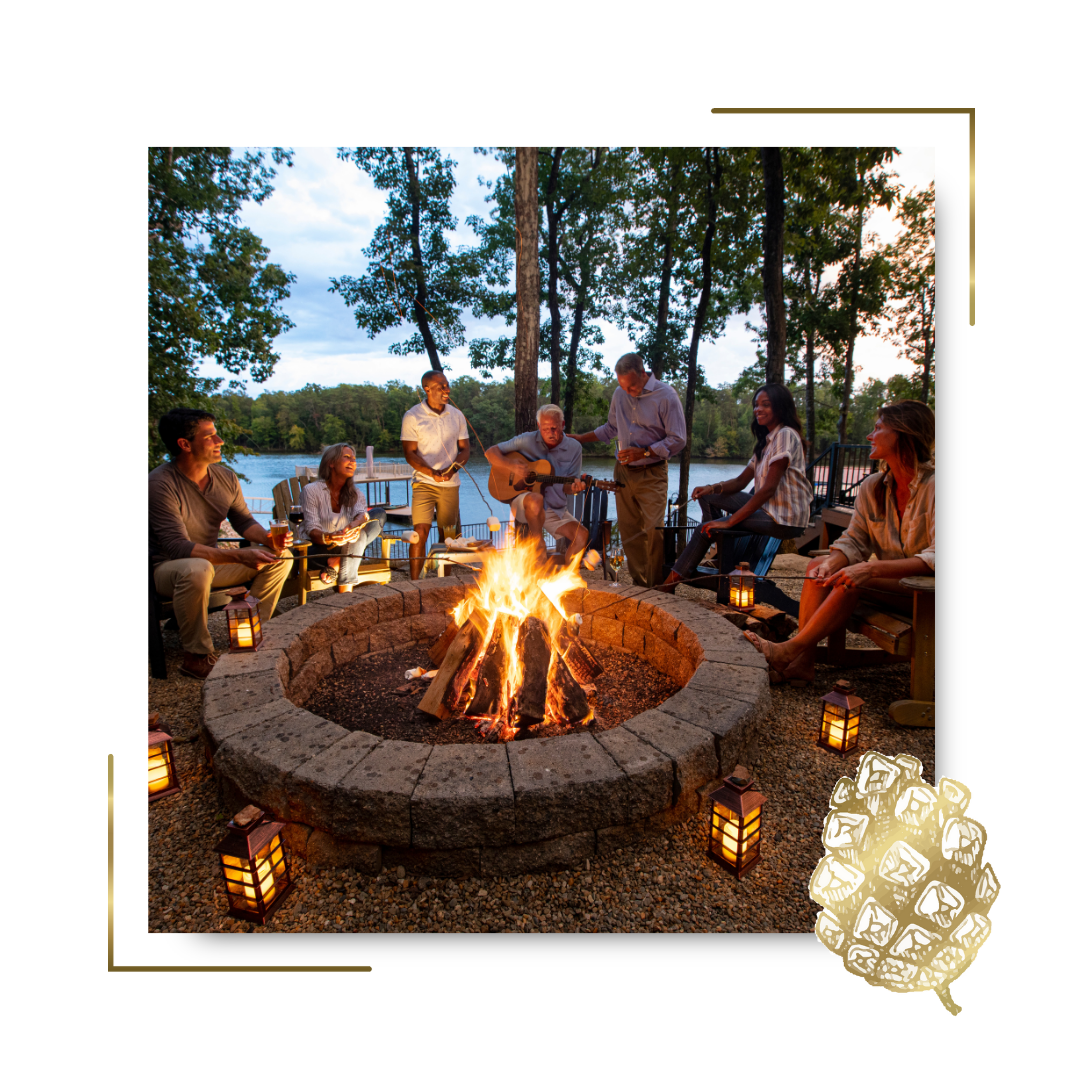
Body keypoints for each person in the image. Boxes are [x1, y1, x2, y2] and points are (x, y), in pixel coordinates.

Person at [744, 399, 936, 685]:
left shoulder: (937, 487)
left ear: (903, 434)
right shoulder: (874, 487)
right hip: (892, 587)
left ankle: (790, 650)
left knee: (854, 578)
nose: (870, 436)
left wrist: (869, 570)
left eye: (878, 428)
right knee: (818, 567)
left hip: (928, 593)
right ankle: (802, 665)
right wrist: (834, 560)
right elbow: (855, 539)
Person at [150, 408, 293, 680]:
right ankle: (196, 656)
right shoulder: (160, 483)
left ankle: (251, 634)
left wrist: (267, 539)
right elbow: (178, 548)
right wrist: (240, 557)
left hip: (208, 566)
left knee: (280, 556)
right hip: (165, 570)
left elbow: (243, 521)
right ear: (184, 444)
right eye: (211, 436)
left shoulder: (225, 478)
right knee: (196, 568)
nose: (220, 442)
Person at [659, 383, 812, 591]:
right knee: (706, 497)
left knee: (705, 529)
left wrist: (730, 521)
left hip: (784, 517)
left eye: (765, 405)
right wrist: (711, 488)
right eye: (756, 405)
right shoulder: (767, 442)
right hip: (768, 509)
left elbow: (768, 489)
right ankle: (721, 551)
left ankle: (669, 585)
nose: (758, 409)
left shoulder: (785, 434)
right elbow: (741, 482)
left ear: (780, 407)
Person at [566, 352, 686, 587]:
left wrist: (644, 452)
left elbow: (678, 439)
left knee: (654, 530)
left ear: (643, 373)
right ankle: (640, 583)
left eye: (632, 387)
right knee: (631, 532)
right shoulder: (620, 394)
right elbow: (611, 428)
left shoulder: (666, 396)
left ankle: (657, 588)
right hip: (623, 472)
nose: (628, 392)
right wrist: (581, 437)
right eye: (623, 387)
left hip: (652, 473)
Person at [485, 404, 589, 559]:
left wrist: (574, 489)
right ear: (539, 426)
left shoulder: (574, 448)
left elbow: (568, 486)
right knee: (536, 499)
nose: (550, 433)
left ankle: (568, 576)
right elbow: (490, 452)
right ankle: (538, 542)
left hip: (554, 508)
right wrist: (511, 466)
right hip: (525, 502)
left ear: (562, 425)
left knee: (581, 535)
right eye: (545, 429)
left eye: (554, 428)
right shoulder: (526, 440)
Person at [400, 370, 470, 579]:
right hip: (423, 482)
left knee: (447, 535)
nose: (446, 390)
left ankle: (444, 581)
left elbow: (465, 449)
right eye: (441, 387)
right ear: (427, 389)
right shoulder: (413, 416)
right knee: (419, 533)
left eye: (447, 385)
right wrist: (432, 472)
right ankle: (415, 583)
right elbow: (409, 453)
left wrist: (453, 470)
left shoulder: (456, 415)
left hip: (450, 484)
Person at [299, 443, 386, 593]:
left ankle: (338, 565)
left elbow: (361, 514)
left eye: (354, 459)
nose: (353, 462)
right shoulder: (311, 491)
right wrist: (331, 537)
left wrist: (355, 524)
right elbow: (311, 529)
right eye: (347, 457)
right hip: (318, 549)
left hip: (346, 546)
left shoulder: (356, 494)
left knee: (379, 514)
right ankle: (345, 590)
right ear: (331, 462)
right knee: (360, 538)